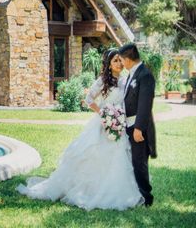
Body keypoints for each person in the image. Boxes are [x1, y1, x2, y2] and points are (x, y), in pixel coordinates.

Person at [17, 49, 143, 211]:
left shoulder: (126, 80)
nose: (119, 64)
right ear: (109, 65)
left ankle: (119, 190)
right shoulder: (103, 81)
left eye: (120, 60)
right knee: (94, 154)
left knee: (120, 156)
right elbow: (89, 100)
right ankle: (88, 189)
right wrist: (104, 114)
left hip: (120, 123)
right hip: (103, 123)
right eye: (115, 61)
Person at [118, 42, 157, 207]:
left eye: (121, 59)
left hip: (138, 128)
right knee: (133, 161)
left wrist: (139, 129)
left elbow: (145, 105)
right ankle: (136, 194)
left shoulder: (145, 75)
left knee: (139, 162)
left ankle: (146, 198)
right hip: (128, 126)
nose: (121, 63)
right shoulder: (131, 74)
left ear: (128, 59)